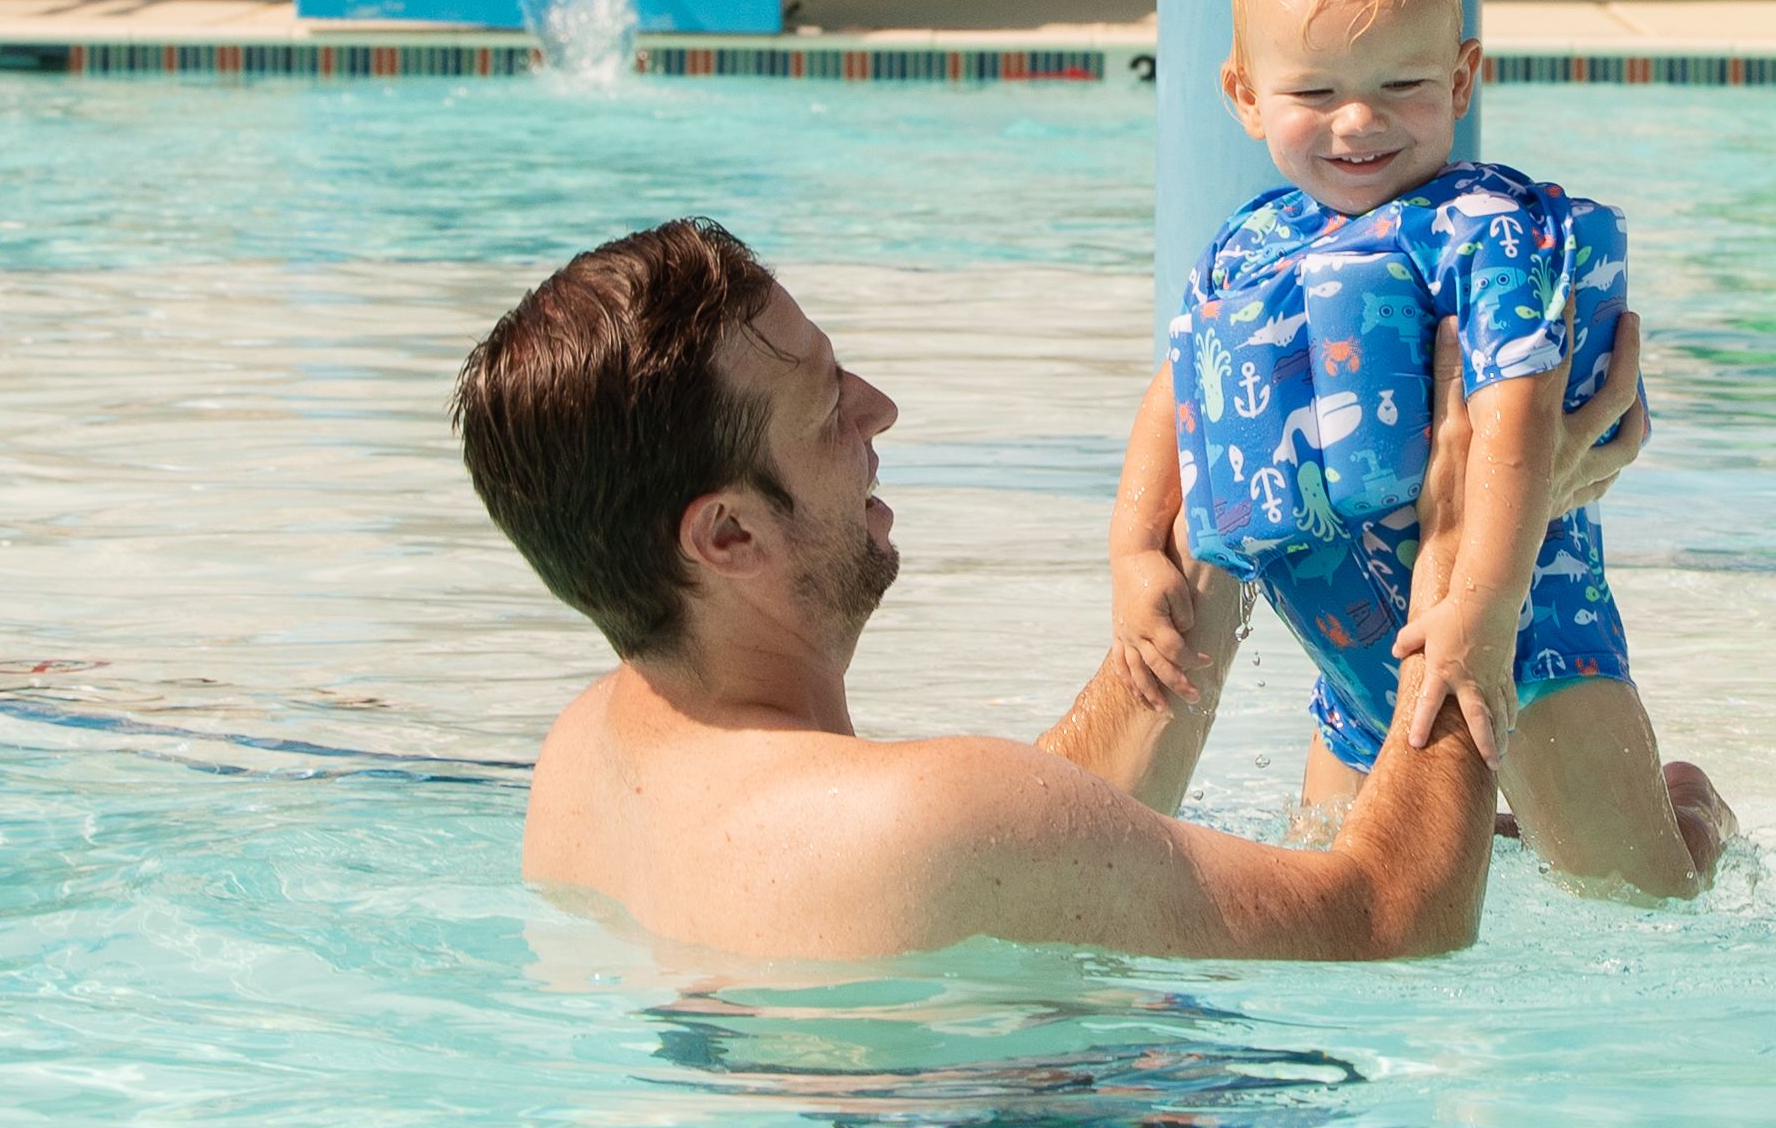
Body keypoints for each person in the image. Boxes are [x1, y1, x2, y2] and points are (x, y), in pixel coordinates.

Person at [463, 216, 1691, 963]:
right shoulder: (924, 822)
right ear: (727, 533)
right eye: (828, 406)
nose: (879, 411)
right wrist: (1484, 544)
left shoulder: (591, 754)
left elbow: (1024, 853)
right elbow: (1389, 923)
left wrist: (1231, 504)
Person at [1109, 0, 1726, 897]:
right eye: (1315, 90)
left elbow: (1517, 420)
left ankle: (1694, 813)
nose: (1359, 122)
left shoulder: (1483, 230)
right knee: (1345, 890)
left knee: (1637, 900)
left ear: (1462, 77)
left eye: (1402, 84)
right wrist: (1133, 552)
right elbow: (1178, 395)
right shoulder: (1248, 244)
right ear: (1245, 94)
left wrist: (1482, 608)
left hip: (1527, 632)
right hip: (1347, 646)